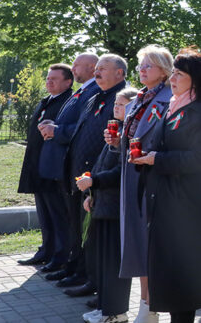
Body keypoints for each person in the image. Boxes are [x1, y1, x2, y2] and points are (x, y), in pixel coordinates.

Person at [132, 50, 201, 323]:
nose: (172, 79)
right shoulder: (176, 105)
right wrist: (145, 156)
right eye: (173, 73)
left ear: (196, 79)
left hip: (188, 201)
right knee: (169, 267)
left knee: (183, 268)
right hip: (168, 197)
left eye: (179, 74)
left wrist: (156, 159)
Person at [59, 54, 128, 297]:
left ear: (119, 73)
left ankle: (94, 281)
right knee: (79, 227)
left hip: (101, 178)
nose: (96, 72)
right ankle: (80, 271)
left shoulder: (123, 99)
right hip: (82, 174)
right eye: (96, 68)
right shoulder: (95, 96)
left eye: (102, 69)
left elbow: (115, 144)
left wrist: (96, 177)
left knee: (92, 233)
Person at [117, 45, 173, 323]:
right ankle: (146, 304)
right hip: (133, 177)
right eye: (140, 65)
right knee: (139, 245)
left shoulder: (170, 99)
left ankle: (151, 307)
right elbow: (132, 139)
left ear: (164, 71)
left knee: (149, 246)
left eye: (148, 65)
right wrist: (116, 142)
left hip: (153, 180)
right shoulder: (139, 98)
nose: (141, 70)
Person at [39, 53, 100, 284]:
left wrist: (58, 131)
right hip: (67, 165)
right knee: (72, 222)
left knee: (77, 222)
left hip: (82, 168)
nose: (72, 68)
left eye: (76, 65)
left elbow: (85, 128)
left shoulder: (94, 91)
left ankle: (77, 269)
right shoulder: (84, 90)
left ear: (92, 67)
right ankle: (71, 266)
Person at [79, 87, 138, 323]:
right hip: (103, 203)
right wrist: (91, 193)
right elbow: (101, 164)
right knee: (103, 260)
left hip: (116, 208)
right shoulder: (116, 131)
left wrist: (95, 181)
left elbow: (122, 172)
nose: (116, 108)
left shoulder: (131, 133)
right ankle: (104, 307)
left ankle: (115, 312)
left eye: (122, 104)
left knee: (114, 262)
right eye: (115, 104)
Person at [16, 64, 73, 270]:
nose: (49, 82)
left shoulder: (68, 102)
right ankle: (45, 251)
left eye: (54, 79)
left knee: (58, 215)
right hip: (37, 166)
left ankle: (60, 256)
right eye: (48, 78)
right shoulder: (47, 100)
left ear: (68, 82)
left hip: (53, 168)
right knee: (44, 214)